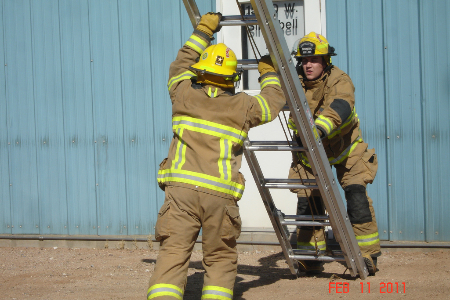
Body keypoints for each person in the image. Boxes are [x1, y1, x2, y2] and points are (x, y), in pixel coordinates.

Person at [147, 12, 286, 299]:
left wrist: (203, 30)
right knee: (220, 257)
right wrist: (269, 72)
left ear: (200, 72)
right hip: (219, 197)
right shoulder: (243, 106)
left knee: (173, 252)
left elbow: (179, 65)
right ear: (232, 78)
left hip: (181, 194)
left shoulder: (183, 93)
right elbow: (273, 103)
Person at [287, 32, 381, 275]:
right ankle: (310, 255)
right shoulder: (294, 80)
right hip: (310, 153)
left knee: (356, 197)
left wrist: (319, 128)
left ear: (326, 61)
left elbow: (341, 105)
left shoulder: (340, 80)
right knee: (308, 202)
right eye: (304, 60)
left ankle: (367, 255)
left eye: (315, 60)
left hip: (346, 151)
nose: (308, 65)